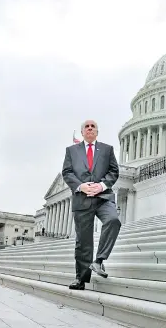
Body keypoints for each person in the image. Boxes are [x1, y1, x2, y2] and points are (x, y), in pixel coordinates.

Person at [62, 120, 121, 290]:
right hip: (82, 198)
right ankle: (81, 280)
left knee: (113, 220)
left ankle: (99, 261)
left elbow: (114, 171)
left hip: (103, 197)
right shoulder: (71, 151)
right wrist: (81, 186)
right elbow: (67, 172)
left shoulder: (107, 149)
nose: (89, 128)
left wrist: (101, 185)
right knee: (83, 242)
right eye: (86, 126)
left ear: (97, 131)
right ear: (82, 132)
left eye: (93, 126)